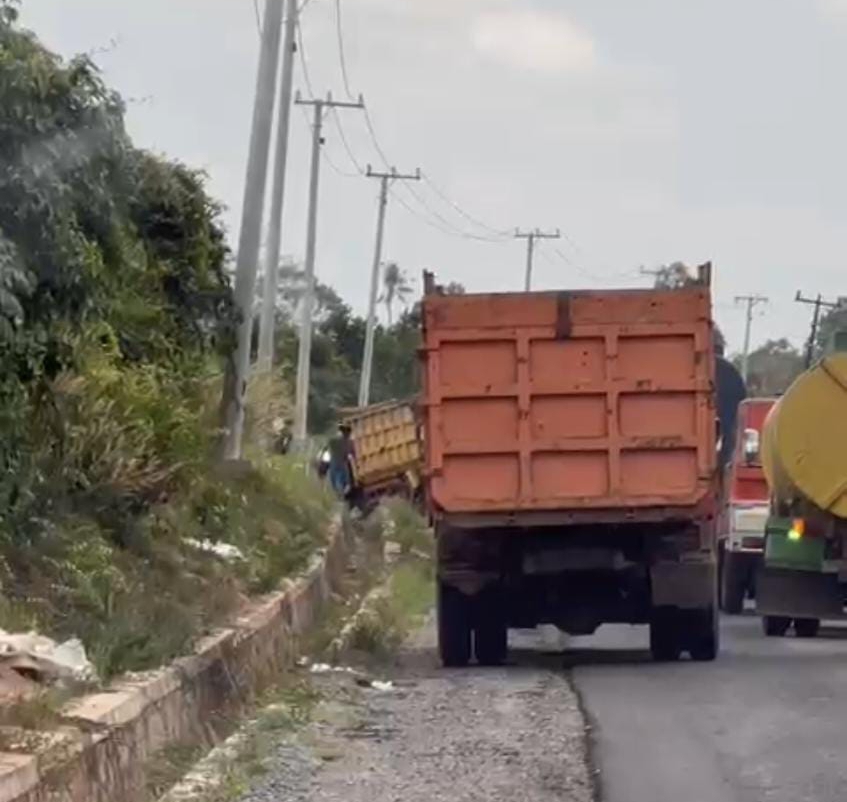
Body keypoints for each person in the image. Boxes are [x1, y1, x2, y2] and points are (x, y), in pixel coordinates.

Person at [327, 423, 356, 498]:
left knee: (335, 481)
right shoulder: (349, 442)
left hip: (334, 463)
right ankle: (342, 493)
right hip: (342, 464)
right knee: (345, 482)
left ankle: (339, 493)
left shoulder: (334, 440)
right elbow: (352, 453)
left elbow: (329, 445)